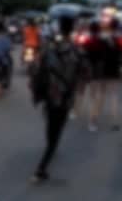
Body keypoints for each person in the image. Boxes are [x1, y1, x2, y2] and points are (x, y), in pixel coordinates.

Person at [30, 15, 83, 183]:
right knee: (57, 131)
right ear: (72, 29)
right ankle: (41, 169)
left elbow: (36, 69)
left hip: (48, 95)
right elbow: (86, 73)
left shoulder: (48, 49)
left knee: (51, 125)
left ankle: (50, 146)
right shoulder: (77, 51)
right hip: (65, 96)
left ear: (59, 28)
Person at [86, 19, 122, 132]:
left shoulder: (103, 39)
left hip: (102, 70)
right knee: (114, 96)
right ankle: (115, 122)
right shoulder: (120, 39)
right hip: (115, 70)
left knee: (100, 95)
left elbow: (95, 52)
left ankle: (93, 121)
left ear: (108, 27)